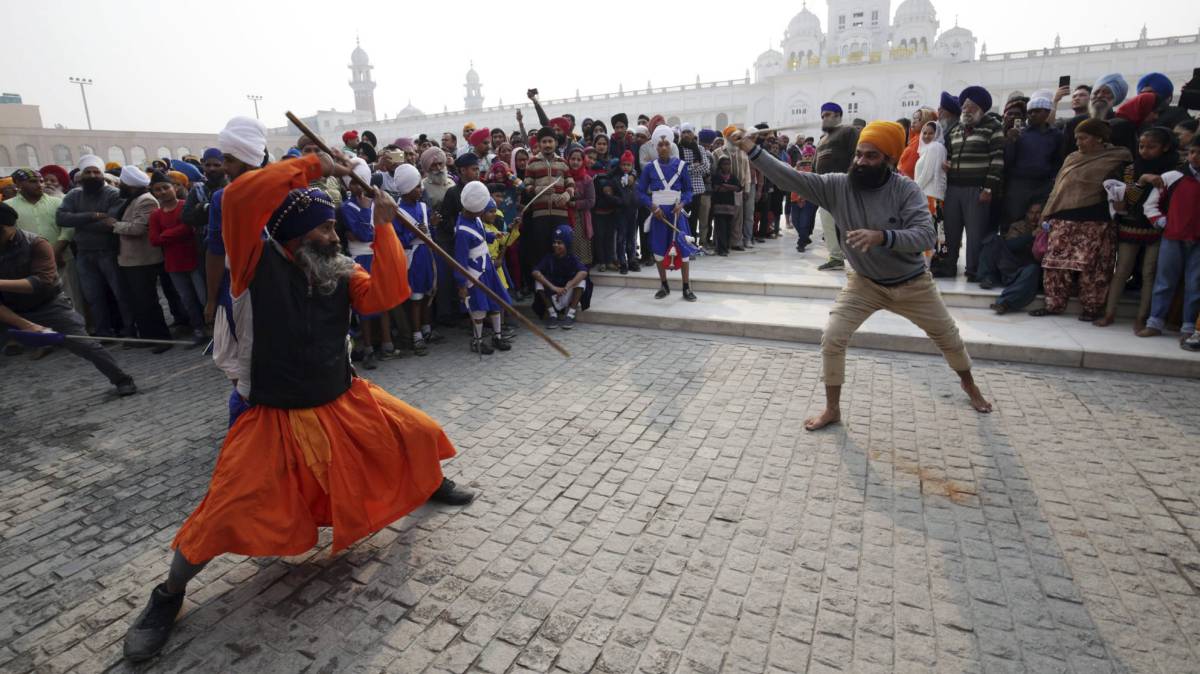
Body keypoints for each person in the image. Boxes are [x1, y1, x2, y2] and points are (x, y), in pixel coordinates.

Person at [122, 141, 474, 663]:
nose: (334, 236)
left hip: (343, 397)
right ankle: (166, 596)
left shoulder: (338, 269)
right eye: (324, 228)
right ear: (292, 237)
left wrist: (381, 226)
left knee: (418, 431)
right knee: (221, 513)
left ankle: (427, 480)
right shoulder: (251, 263)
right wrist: (315, 166)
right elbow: (241, 198)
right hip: (274, 413)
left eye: (334, 227)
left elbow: (386, 296)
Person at [736, 121, 992, 428]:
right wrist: (751, 149)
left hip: (912, 284)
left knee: (949, 338)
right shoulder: (837, 186)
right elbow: (790, 179)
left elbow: (926, 236)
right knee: (832, 338)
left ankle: (968, 384)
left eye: (871, 156)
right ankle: (832, 409)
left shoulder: (906, 189)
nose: (860, 162)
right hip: (864, 283)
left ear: (889, 160)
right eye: (859, 154)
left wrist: (882, 237)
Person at [0, 202, 136, 395]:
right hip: (7, 309)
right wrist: (24, 324)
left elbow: (41, 282)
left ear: (10, 227)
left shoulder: (36, 243)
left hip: (47, 305)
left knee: (85, 345)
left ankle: (121, 379)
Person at [1029, 118, 1131, 320]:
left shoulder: (1118, 157)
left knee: (1094, 268)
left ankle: (1092, 308)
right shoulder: (1072, 158)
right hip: (1063, 219)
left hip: (1096, 220)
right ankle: (1054, 305)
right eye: (1077, 138)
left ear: (1099, 138)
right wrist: (1046, 214)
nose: (1078, 143)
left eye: (1083, 138)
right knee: (1055, 265)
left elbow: (1123, 187)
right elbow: (1058, 189)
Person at [1097, 127, 1177, 329]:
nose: (1145, 151)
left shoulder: (1174, 171)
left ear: (1166, 147)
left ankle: (1142, 317)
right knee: (1122, 269)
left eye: (1152, 147)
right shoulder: (1131, 169)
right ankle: (1109, 313)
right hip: (1131, 225)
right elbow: (1128, 201)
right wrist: (1142, 181)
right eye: (1141, 146)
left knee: (1149, 272)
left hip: (1158, 228)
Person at [56, 154, 132, 338]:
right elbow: (61, 218)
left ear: (102, 174)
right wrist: (94, 215)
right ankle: (103, 332)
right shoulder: (74, 195)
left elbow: (111, 224)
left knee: (121, 294)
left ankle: (130, 331)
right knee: (93, 296)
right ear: (81, 175)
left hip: (110, 251)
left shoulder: (113, 194)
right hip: (84, 253)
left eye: (95, 172)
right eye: (87, 172)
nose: (91, 175)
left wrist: (79, 221)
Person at [1137, 136, 1200, 342]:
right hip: (1172, 237)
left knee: (1195, 284)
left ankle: (1189, 327)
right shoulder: (1173, 177)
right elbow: (1151, 205)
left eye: (1199, 153)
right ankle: (1154, 323)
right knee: (1164, 281)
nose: (1195, 157)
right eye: (1192, 152)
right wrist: (1164, 223)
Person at [940, 86, 1004, 280]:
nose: (966, 110)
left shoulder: (993, 127)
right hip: (953, 188)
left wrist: (988, 188)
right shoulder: (956, 129)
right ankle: (949, 265)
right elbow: (949, 153)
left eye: (971, 106)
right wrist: (946, 162)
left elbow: (997, 160)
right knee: (951, 229)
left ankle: (973, 270)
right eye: (964, 106)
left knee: (975, 233)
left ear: (981, 109)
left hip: (976, 189)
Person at [339, 159, 393, 368]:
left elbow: (373, 231)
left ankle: (387, 342)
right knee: (364, 304)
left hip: (377, 255)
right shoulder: (347, 207)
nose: (358, 187)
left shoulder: (375, 203)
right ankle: (369, 347)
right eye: (352, 182)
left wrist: (367, 231)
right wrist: (364, 217)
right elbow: (363, 233)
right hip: (360, 258)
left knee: (384, 300)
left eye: (361, 182)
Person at [112, 166, 172, 350]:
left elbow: (138, 228)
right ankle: (148, 336)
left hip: (143, 258)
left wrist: (113, 225)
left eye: (122, 182)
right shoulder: (132, 199)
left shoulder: (146, 200)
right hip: (129, 259)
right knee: (138, 301)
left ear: (129, 184)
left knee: (148, 301)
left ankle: (162, 339)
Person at [148, 172, 206, 346]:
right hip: (174, 263)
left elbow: (188, 228)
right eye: (158, 189)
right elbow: (154, 240)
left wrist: (166, 234)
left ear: (174, 187)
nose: (163, 192)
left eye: (166, 187)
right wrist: (174, 234)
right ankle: (198, 329)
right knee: (187, 299)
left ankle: (214, 328)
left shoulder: (185, 206)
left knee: (204, 297)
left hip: (194, 259)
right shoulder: (156, 215)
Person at [454, 181, 512, 354]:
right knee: (479, 308)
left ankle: (497, 336)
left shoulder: (476, 219)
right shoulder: (462, 230)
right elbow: (460, 259)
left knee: (495, 303)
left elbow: (481, 234)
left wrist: (492, 235)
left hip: (488, 270)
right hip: (475, 273)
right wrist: (462, 284)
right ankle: (477, 340)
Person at [638, 134, 698, 302]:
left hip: (677, 213)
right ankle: (664, 285)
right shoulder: (650, 168)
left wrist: (683, 203)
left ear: (670, 146)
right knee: (658, 250)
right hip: (658, 214)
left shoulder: (681, 166)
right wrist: (652, 206)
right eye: (660, 144)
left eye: (666, 144)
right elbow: (641, 191)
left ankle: (686, 287)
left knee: (684, 248)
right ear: (656, 147)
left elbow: (688, 190)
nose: (663, 147)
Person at [392, 164, 439, 355]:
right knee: (416, 298)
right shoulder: (398, 212)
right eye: (416, 187)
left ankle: (427, 329)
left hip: (427, 255)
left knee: (428, 294)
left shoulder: (423, 207)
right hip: (413, 259)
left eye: (420, 186)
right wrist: (414, 234)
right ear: (406, 189)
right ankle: (416, 335)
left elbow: (429, 233)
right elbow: (398, 240)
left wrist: (433, 225)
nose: (420, 190)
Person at [521, 128, 574, 291]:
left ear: (556, 143)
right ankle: (544, 290)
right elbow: (526, 185)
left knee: (561, 250)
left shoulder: (563, 163)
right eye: (544, 142)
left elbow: (571, 184)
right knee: (542, 251)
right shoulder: (532, 162)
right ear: (539, 144)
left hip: (560, 215)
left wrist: (566, 195)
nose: (547, 144)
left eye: (550, 141)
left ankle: (562, 287)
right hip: (540, 216)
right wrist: (537, 189)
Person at [1001, 91, 1062, 226]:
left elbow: (1058, 161)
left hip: (1043, 186)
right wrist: (1010, 141)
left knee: (1037, 225)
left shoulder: (1056, 135)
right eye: (1030, 112)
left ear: (1047, 113)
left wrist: (1051, 183)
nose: (1032, 114)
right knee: (1013, 222)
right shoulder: (1020, 133)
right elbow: (1008, 161)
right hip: (1018, 186)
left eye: (1037, 111)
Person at [815, 102, 859, 270]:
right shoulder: (822, 140)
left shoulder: (848, 131)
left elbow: (856, 155)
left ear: (838, 115)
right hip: (824, 188)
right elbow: (816, 164)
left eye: (827, 115)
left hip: (844, 185)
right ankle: (835, 257)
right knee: (827, 223)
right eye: (822, 116)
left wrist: (851, 179)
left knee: (848, 223)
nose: (824, 118)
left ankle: (859, 259)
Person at [532, 224, 592, 329]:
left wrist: (568, 286)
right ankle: (552, 314)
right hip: (553, 293)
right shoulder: (549, 257)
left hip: (566, 293)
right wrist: (553, 288)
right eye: (554, 242)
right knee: (538, 281)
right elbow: (535, 272)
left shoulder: (572, 258)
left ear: (567, 244)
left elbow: (583, 272)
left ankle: (570, 314)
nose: (556, 245)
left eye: (560, 243)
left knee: (582, 281)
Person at [564, 146, 594, 265]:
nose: (575, 162)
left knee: (580, 248)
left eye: (578, 159)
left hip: (580, 219)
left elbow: (591, 201)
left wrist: (574, 203)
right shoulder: (563, 177)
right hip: (564, 217)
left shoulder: (587, 179)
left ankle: (581, 278)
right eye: (572, 159)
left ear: (583, 162)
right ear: (568, 160)